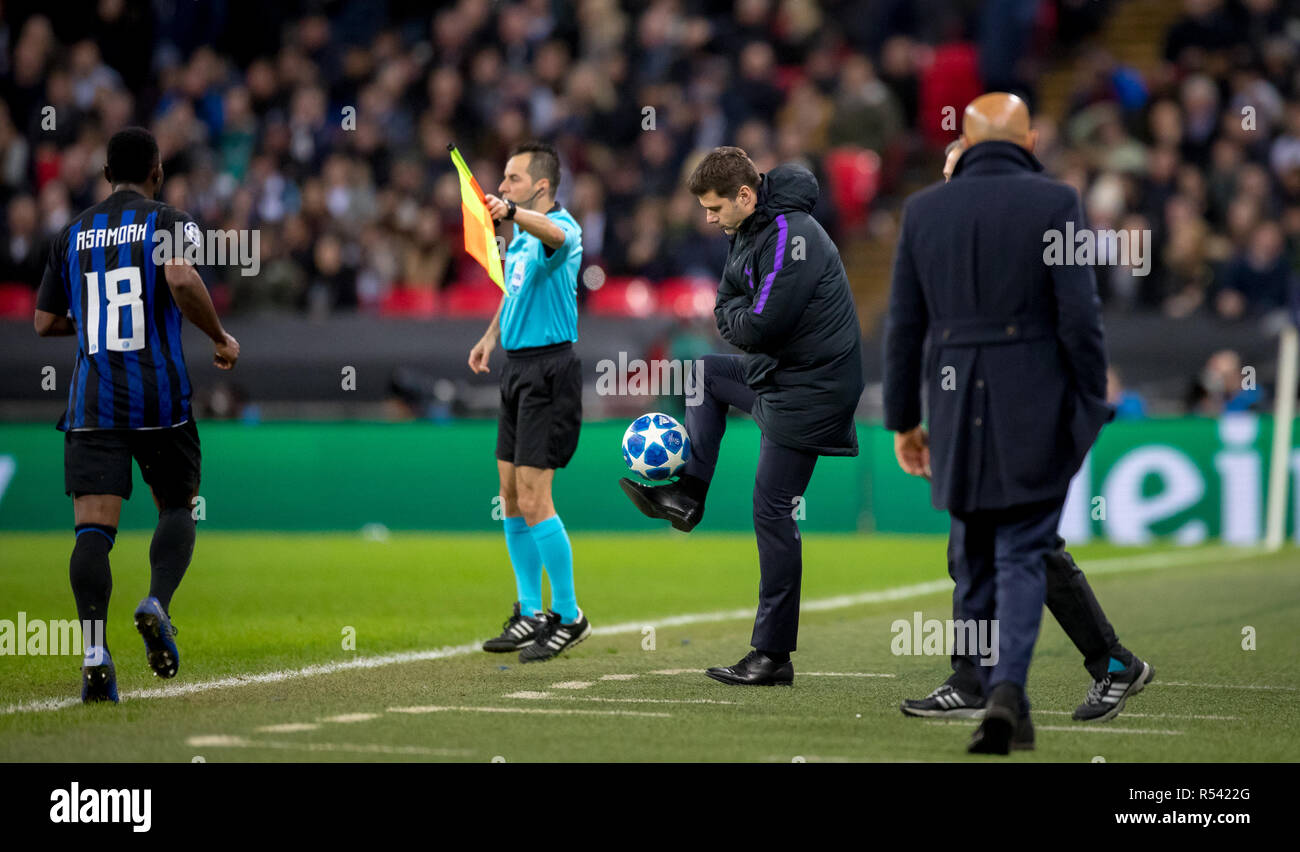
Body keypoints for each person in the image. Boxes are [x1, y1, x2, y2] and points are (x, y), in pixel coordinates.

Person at [884, 94, 1149, 754]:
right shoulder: (1055, 202)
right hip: (1034, 402)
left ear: (966, 147)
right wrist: (1089, 403)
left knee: (987, 551)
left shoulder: (921, 211)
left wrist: (902, 420)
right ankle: (1000, 684)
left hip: (953, 407)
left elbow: (903, 328)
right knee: (1019, 550)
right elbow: (1080, 319)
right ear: (1029, 138)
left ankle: (993, 683)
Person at [620, 146, 864, 686]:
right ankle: (687, 495)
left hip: (812, 389)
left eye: (714, 208)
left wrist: (737, 318)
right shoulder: (749, 232)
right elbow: (729, 307)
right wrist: (737, 317)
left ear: (745, 196)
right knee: (705, 373)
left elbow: (759, 325)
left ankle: (773, 656)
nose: (708, 219)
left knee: (772, 510)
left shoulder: (791, 236)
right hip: (786, 374)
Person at [33, 126, 240, 703]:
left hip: (92, 402)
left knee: (93, 531)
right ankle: (157, 603)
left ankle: (95, 652)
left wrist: (96, 320)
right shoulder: (170, 221)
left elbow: (44, 322)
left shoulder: (70, 235)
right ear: (157, 171)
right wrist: (220, 337)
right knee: (177, 505)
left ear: (105, 175)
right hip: (159, 401)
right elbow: (179, 277)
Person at [467, 141, 590, 662]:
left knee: (537, 497)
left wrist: (515, 215)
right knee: (511, 495)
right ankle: (529, 611)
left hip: (550, 371)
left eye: (512, 179)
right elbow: (513, 291)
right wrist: (491, 336)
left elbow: (557, 236)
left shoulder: (562, 228)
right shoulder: (519, 240)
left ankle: (569, 615)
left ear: (541, 186)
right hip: (516, 367)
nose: (502, 187)